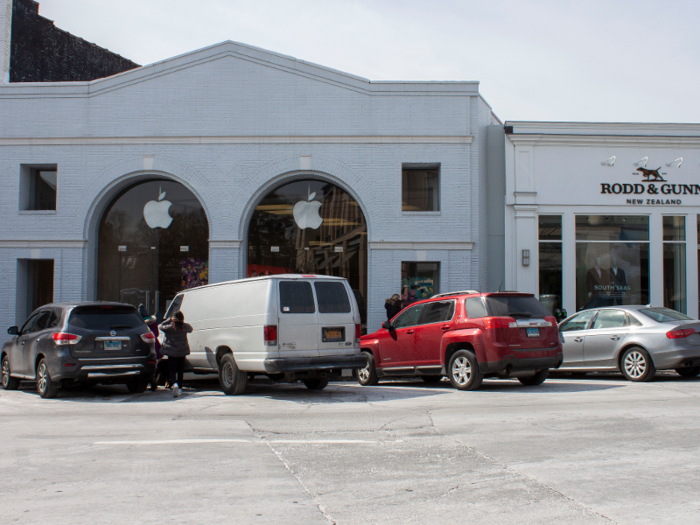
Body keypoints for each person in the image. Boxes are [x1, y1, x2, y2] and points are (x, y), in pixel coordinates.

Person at [159, 311, 193, 398]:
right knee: (180, 370)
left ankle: (174, 384)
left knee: (172, 370)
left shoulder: (170, 327)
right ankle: (180, 388)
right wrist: (182, 322)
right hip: (182, 352)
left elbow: (160, 326)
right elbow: (191, 329)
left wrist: (169, 320)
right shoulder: (185, 327)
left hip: (172, 352)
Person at [138, 304, 163, 391]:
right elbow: (157, 334)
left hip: (147, 346)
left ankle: (152, 384)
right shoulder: (154, 322)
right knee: (154, 366)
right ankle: (154, 383)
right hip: (156, 345)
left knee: (148, 367)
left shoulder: (141, 323)